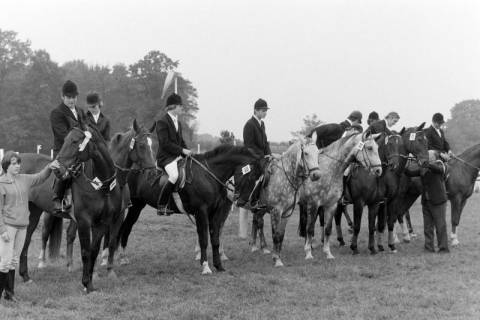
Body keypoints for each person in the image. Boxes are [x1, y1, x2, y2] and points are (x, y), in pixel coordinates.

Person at [0, 151, 60, 301]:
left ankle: (9, 293)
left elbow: (39, 177)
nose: (17, 166)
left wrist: (50, 167)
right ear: (6, 166)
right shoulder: (1, 184)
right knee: (5, 262)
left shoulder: (24, 179)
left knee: (13, 260)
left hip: (22, 227)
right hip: (8, 227)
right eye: (13, 164)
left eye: (18, 163)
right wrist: (2, 230)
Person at [238, 98, 272, 238]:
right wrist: (261, 157)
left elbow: (265, 142)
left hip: (263, 157)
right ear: (256, 110)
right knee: (252, 176)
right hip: (251, 158)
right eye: (263, 111)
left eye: (265, 111)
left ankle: (264, 199)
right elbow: (249, 146)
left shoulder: (262, 124)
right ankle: (247, 199)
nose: (265, 113)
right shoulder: (249, 125)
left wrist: (269, 154)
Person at [50, 80, 85, 213]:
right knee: (67, 171)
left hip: (80, 149)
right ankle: (58, 199)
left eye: (74, 97)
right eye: (69, 97)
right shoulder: (57, 113)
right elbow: (63, 135)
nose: (72, 100)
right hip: (63, 151)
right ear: (62, 97)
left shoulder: (80, 111)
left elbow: (86, 127)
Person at [405, 151, 449, 253]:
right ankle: (429, 247)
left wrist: (425, 163)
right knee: (427, 226)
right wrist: (405, 164)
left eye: (428, 155)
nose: (425, 156)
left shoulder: (440, 164)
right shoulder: (423, 168)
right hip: (426, 201)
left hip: (438, 201)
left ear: (434, 157)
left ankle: (443, 248)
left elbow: (438, 169)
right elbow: (410, 173)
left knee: (440, 225)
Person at [155, 93, 191, 215]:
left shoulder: (178, 123)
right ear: (174, 106)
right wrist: (181, 150)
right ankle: (162, 205)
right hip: (165, 157)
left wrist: (188, 151)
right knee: (174, 175)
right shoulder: (161, 121)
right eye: (180, 106)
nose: (182, 108)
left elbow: (181, 141)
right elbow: (165, 143)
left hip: (176, 156)